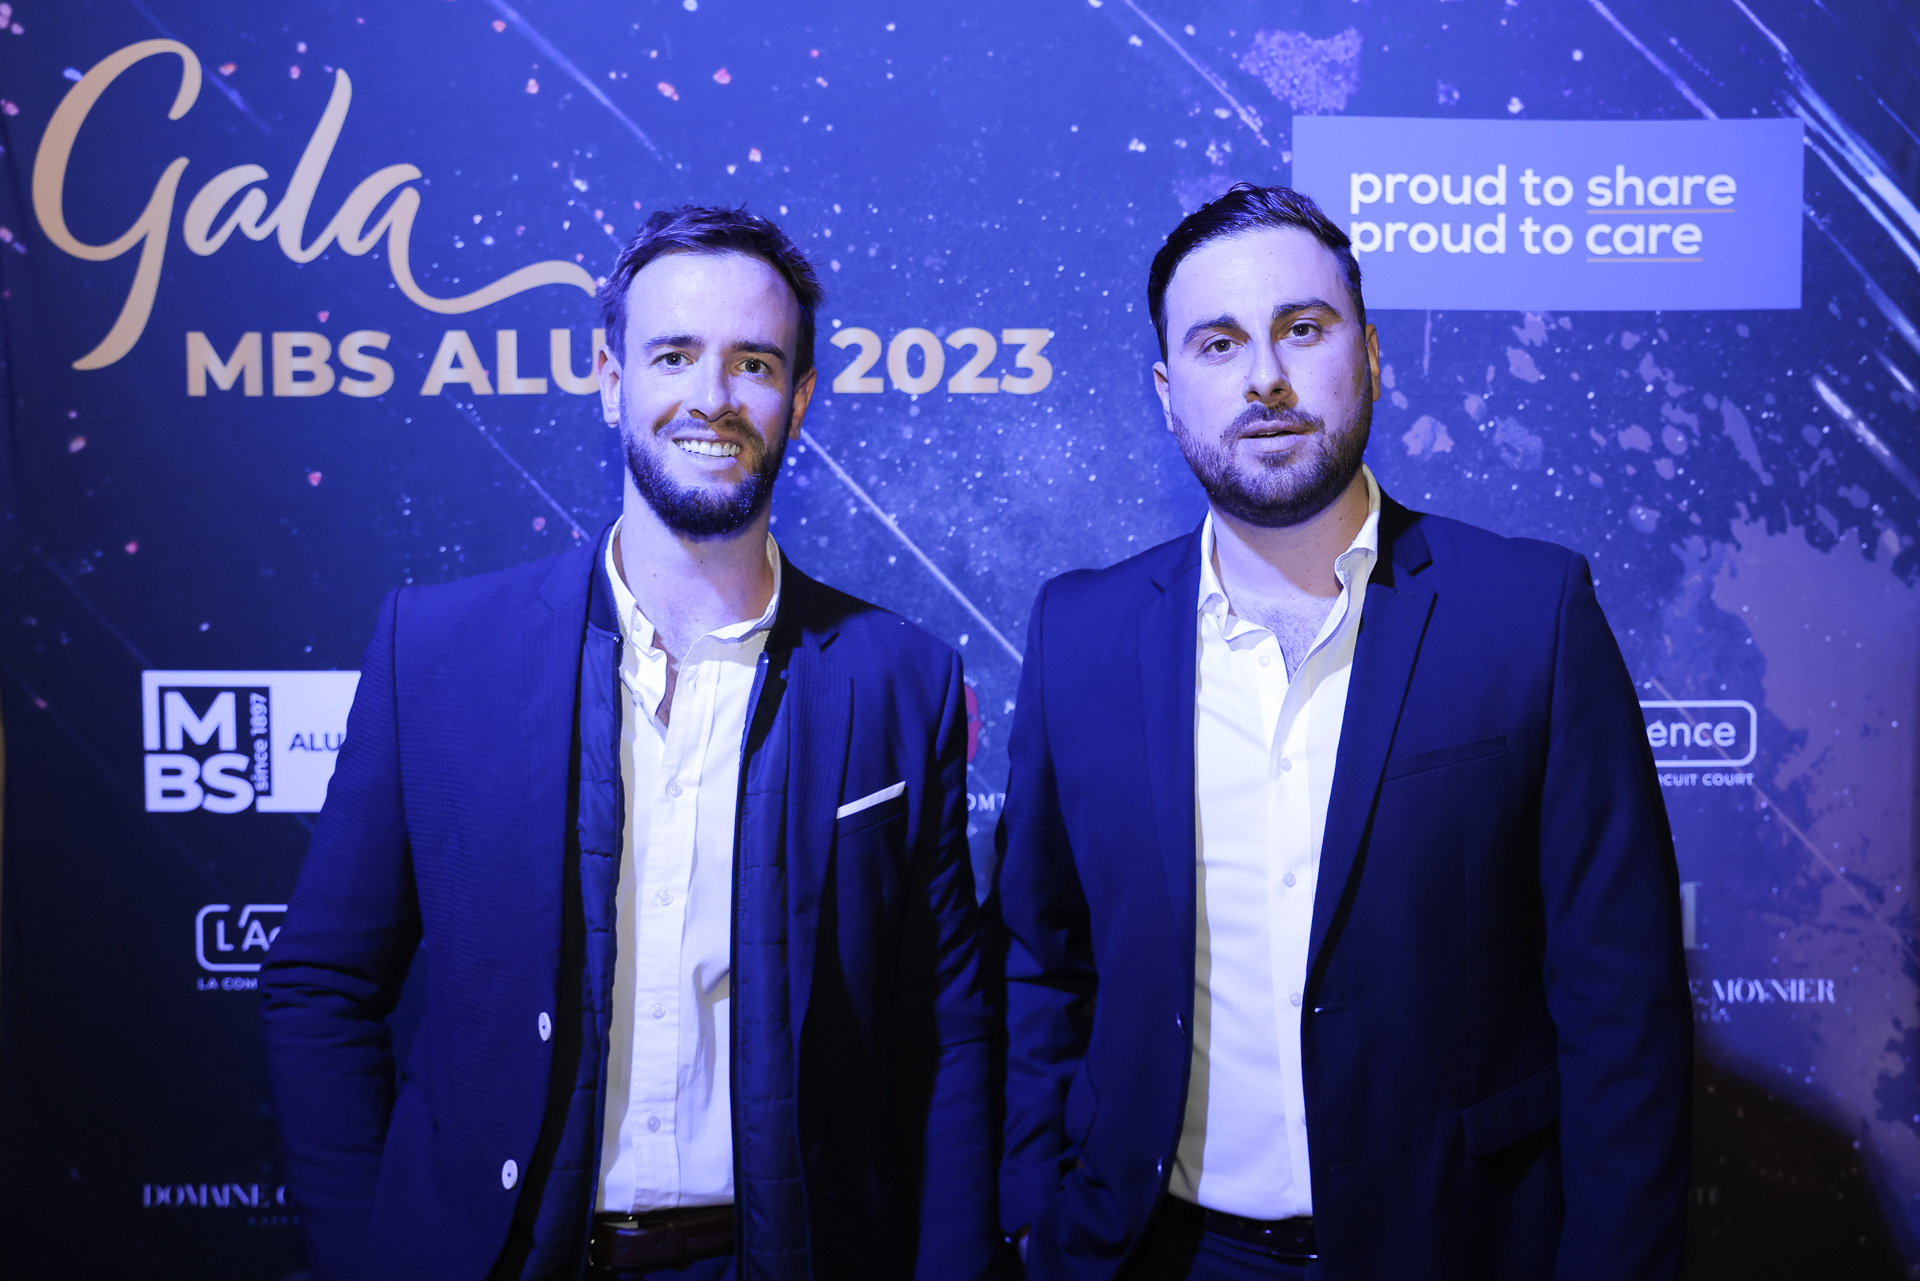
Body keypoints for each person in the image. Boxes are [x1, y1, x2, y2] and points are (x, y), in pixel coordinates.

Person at [261, 206, 999, 1281]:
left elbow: (948, 1029)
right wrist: (367, 1257)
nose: (713, 396)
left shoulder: (900, 677)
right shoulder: (439, 652)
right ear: (610, 378)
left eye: (753, 363)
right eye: (673, 355)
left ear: (798, 398)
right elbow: (322, 985)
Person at [996, 184, 1691, 1280]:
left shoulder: (1530, 614)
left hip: (1458, 1250)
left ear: (1369, 355)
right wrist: (1039, 1205)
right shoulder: (1078, 633)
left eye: (1303, 330)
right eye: (1219, 344)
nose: (1265, 377)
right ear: (1168, 393)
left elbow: (1623, 1008)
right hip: (1153, 1253)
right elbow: (1043, 956)